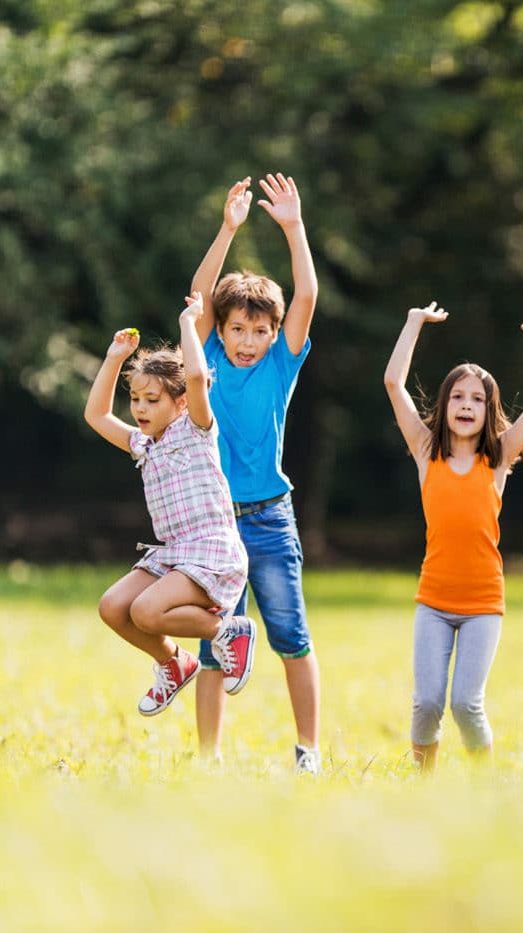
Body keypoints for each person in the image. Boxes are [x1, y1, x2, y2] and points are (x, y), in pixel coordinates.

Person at [383, 300, 523, 770]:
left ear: (489, 410)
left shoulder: (498, 458)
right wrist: (413, 322)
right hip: (433, 601)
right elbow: (394, 383)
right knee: (426, 703)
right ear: (444, 406)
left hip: (483, 603)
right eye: (458, 396)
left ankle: (483, 785)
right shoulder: (426, 450)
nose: (466, 405)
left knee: (465, 703)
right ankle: (422, 785)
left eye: (477, 399)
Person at [188, 174, 322, 773]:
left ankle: (308, 751)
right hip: (215, 525)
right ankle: (208, 759)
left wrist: (294, 228)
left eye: (260, 331)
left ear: (274, 334)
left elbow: (306, 296)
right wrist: (228, 229)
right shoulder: (209, 358)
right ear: (221, 332)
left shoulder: (280, 365)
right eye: (237, 329)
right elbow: (199, 297)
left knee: (291, 635)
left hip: (269, 519)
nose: (248, 340)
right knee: (214, 643)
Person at [84, 294, 256, 719]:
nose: (140, 408)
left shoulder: (195, 430)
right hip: (175, 553)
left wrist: (188, 322)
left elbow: (195, 375)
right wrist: (114, 358)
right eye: (136, 399)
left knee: (146, 611)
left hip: (212, 550)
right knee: (113, 607)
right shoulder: (143, 444)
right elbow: (97, 415)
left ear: (179, 403)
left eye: (152, 399)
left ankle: (227, 630)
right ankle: (174, 663)